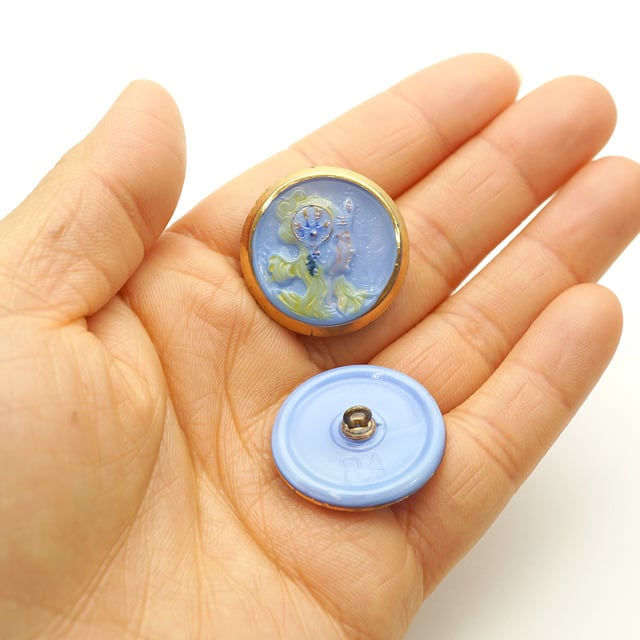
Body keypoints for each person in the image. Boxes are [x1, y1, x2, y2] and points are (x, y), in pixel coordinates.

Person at [0, 53, 637, 639]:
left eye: (321, 223)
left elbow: (336, 264)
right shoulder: (292, 262)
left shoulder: (342, 254)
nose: (315, 228)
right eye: (307, 223)